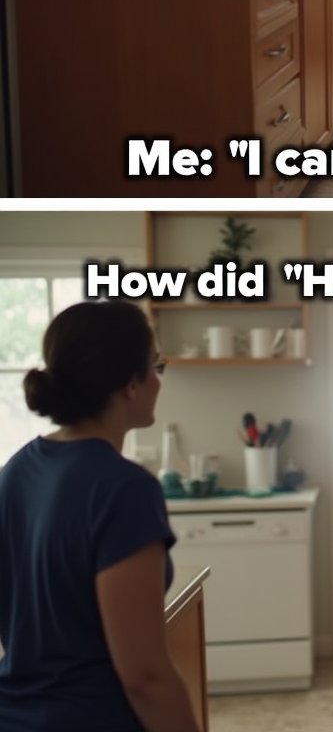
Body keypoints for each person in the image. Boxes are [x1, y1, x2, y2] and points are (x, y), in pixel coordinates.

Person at [0, 301, 201, 732]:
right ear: (132, 383)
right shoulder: (123, 489)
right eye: (156, 365)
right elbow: (145, 677)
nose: (159, 380)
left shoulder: (16, 471)